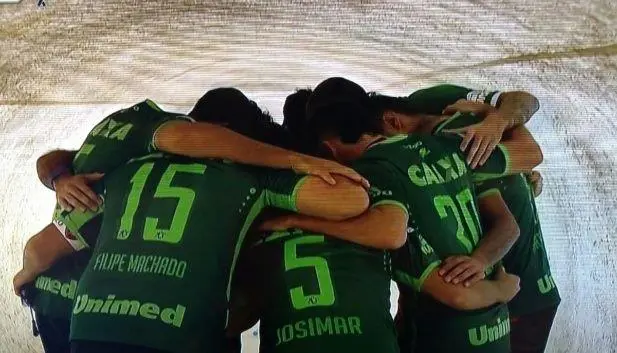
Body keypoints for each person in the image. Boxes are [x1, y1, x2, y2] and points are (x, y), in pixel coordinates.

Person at [13, 88, 368, 353]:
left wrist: (25, 273)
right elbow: (352, 199)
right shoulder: (248, 176)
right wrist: (292, 178)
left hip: (91, 325)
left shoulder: (128, 164)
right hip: (184, 334)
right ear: (225, 131)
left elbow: (44, 243)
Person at [272, 77, 544, 353]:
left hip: (444, 331)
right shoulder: (445, 144)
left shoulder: (371, 172)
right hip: (495, 328)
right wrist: (489, 115)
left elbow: (390, 233)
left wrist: (298, 220)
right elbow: (528, 153)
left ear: (328, 149)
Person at [371, 91, 560, 353]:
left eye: (380, 143)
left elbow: (529, 149)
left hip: (515, 289)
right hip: (511, 287)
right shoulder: (458, 126)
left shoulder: (455, 140)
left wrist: (493, 118)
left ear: (393, 121)